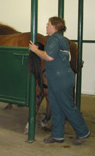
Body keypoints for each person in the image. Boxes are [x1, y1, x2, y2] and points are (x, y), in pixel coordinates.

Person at [29, 16, 90, 145]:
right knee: (56, 107)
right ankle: (57, 135)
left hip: (60, 79)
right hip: (57, 78)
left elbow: (49, 57)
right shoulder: (60, 39)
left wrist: (35, 50)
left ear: (54, 27)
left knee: (67, 107)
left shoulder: (54, 39)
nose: (46, 26)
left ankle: (83, 131)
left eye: (48, 24)